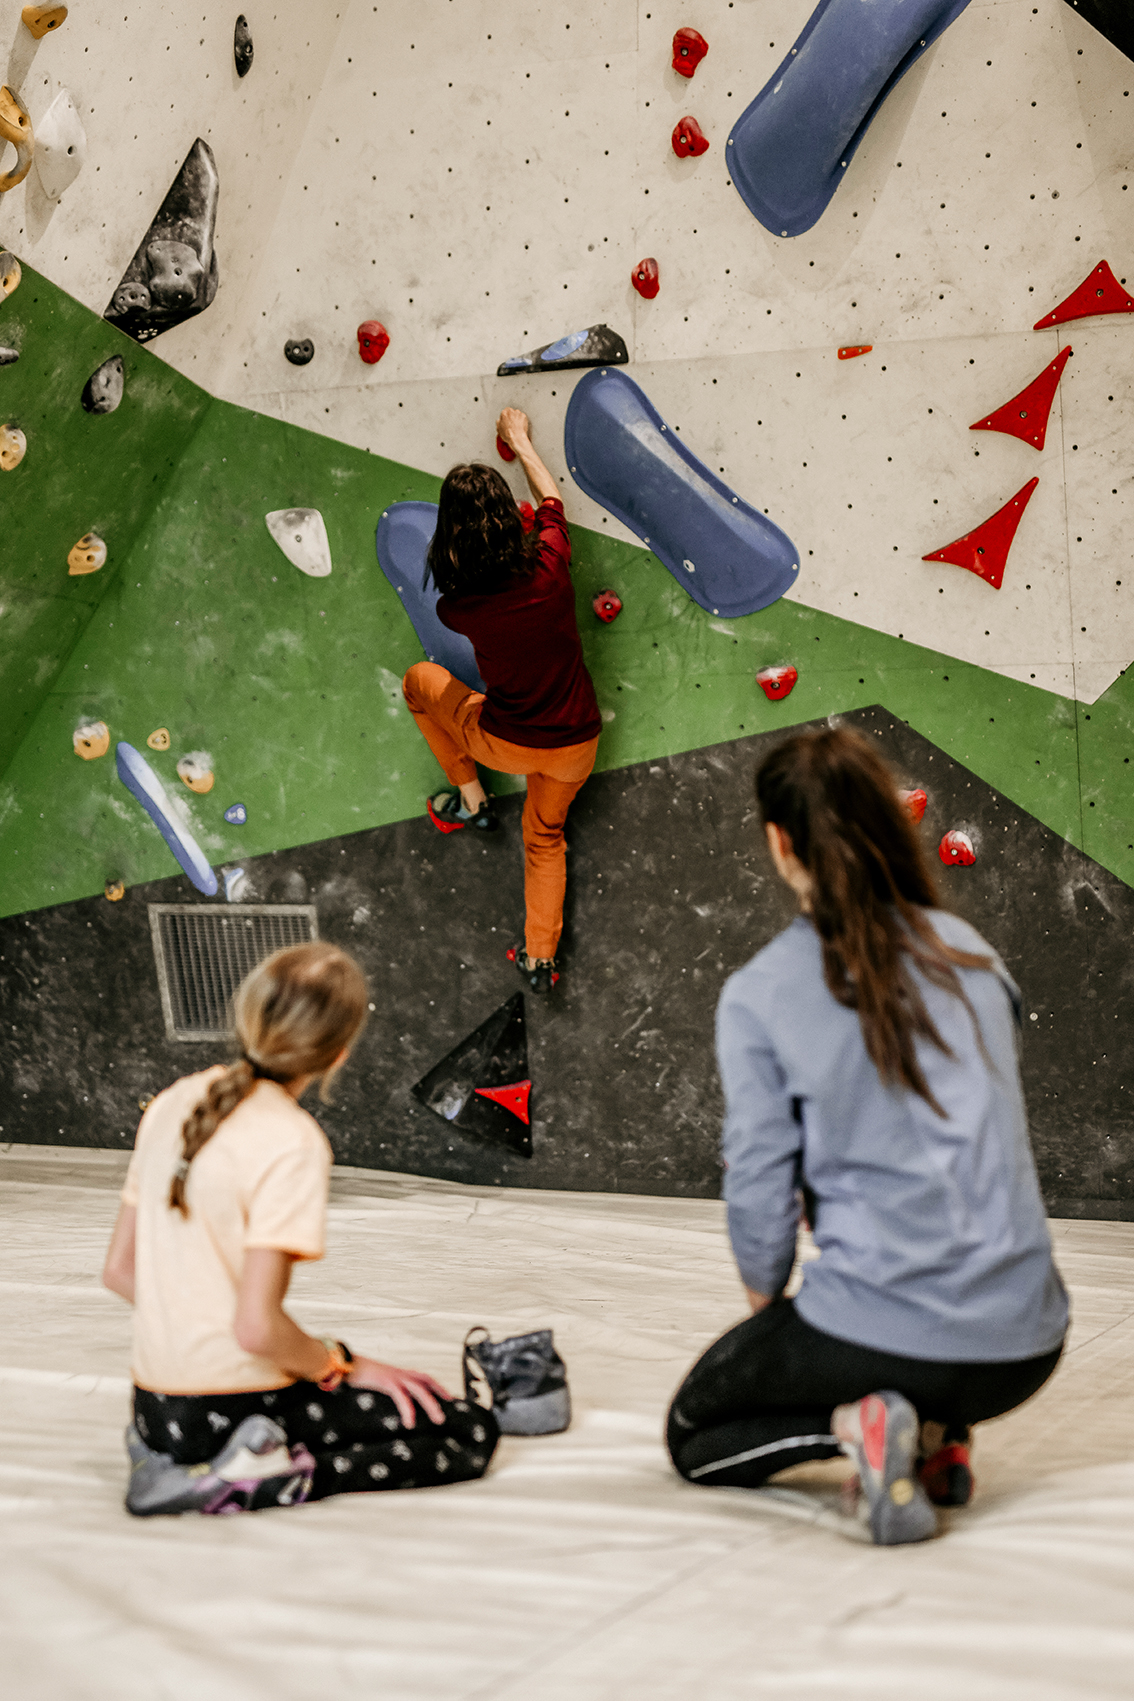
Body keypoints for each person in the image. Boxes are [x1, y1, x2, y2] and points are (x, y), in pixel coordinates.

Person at [666, 727, 1068, 1546]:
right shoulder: (978, 958)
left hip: (888, 1329)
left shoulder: (762, 993)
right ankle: (941, 1434)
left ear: (781, 843)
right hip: (1029, 1346)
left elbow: (760, 1190)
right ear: (893, 824)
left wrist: (768, 1322)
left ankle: (876, 1419)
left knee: (694, 1436)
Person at [102, 942, 497, 1515]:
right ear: (338, 1054)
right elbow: (257, 1330)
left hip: (152, 1409)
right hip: (228, 1409)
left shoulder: (172, 1102)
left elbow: (119, 1271)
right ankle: (241, 1474)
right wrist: (345, 1366)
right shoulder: (292, 1140)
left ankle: (164, 1455)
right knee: (465, 1432)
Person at [401, 407, 603, 995]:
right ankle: (540, 959)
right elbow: (549, 501)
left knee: (419, 683)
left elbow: (463, 569)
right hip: (575, 746)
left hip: (505, 743)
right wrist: (519, 441)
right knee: (544, 841)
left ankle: (470, 800)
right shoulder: (551, 565)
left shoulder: (459, 606)